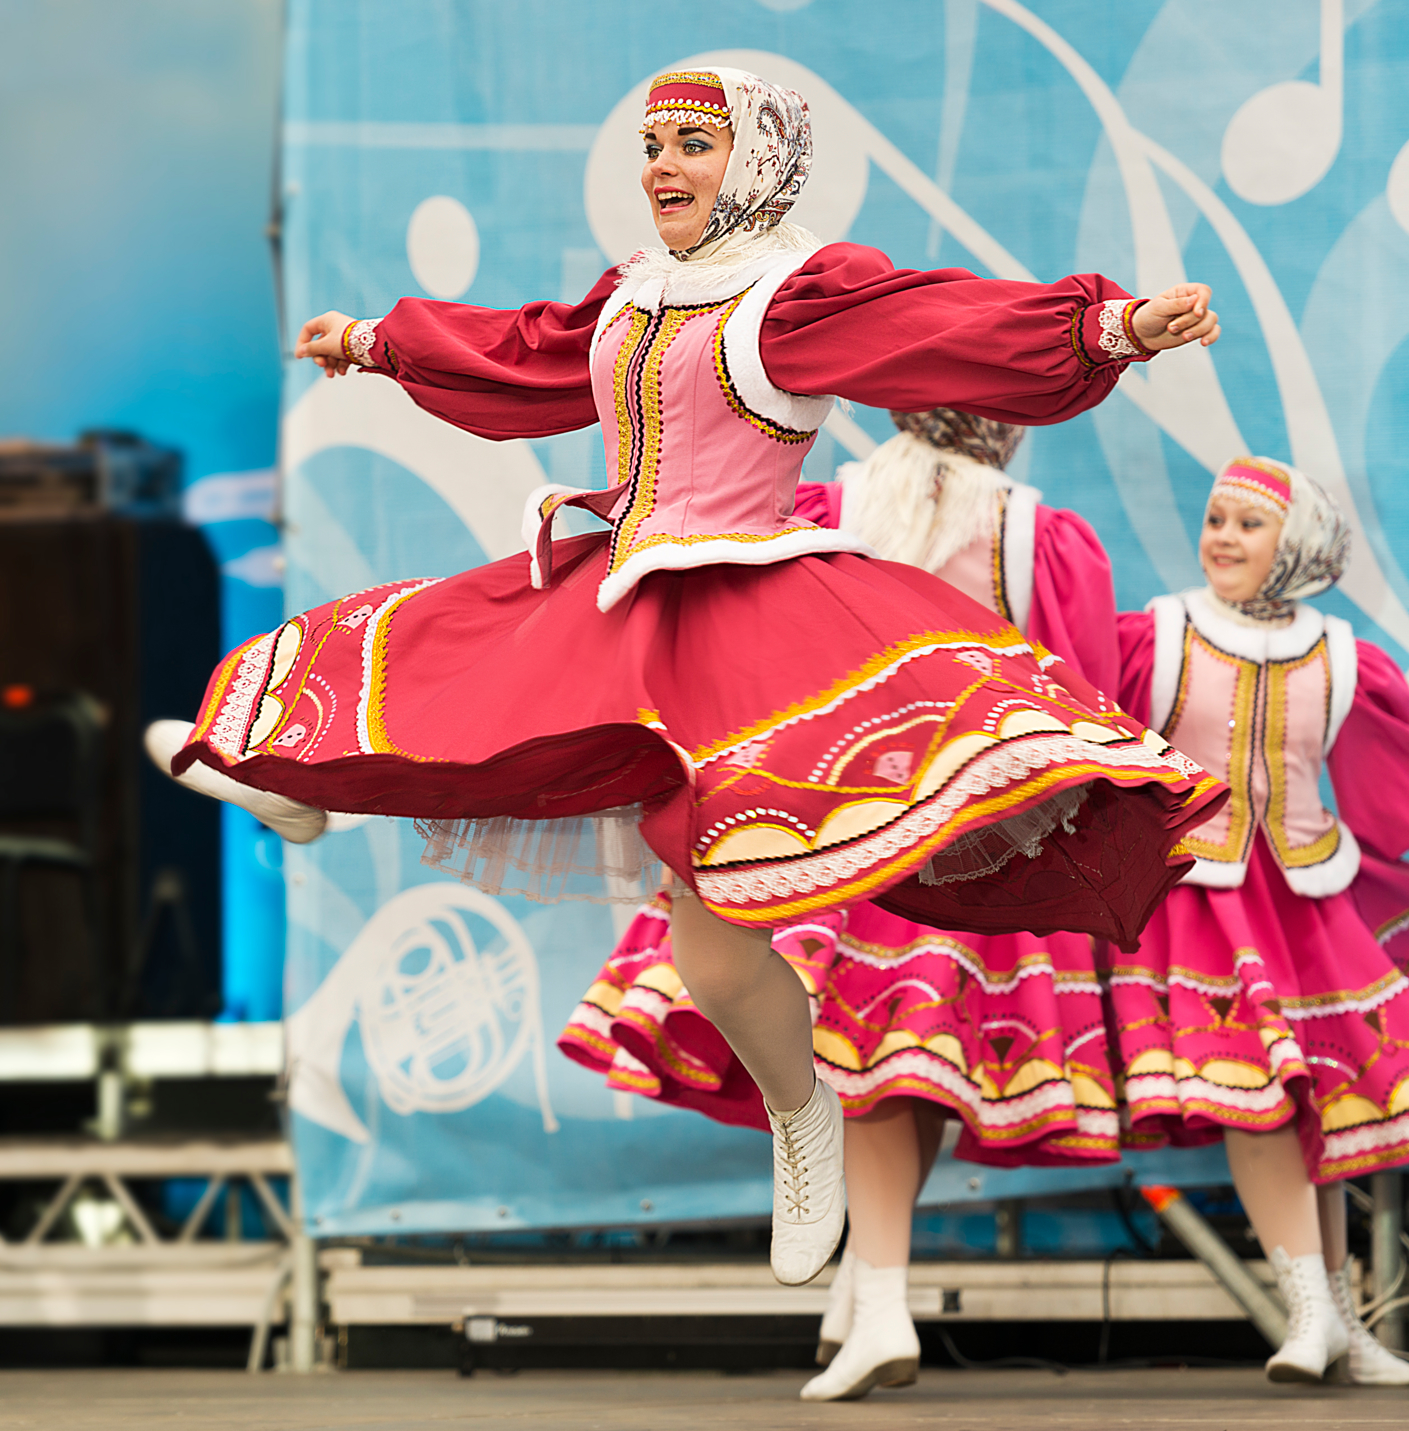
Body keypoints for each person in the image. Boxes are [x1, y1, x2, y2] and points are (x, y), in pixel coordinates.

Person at [145, 67, 1225, 1290]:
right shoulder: (635, 295)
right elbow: (530, 351)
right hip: (626, 589)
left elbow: (940, 324)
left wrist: (1106, 326)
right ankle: (305, 785)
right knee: (458, 681)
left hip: (749, 625)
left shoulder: (797, 293)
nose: (662, 164)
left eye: (694, 143)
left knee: (714, 956)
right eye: (653, 143)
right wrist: (383, 344)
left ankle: (800, 1108)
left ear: (756, 161)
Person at [561, 407, 1132, 1400]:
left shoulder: (831, 508)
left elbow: (745, 663)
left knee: (876, 1065)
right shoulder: (1040, 535)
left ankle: (877, 1295)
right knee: (904, 1066)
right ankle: (872, 1290)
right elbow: (1082, 689)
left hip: (832, 816)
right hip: (962, 829)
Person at [1103, 454, 1409, 1386]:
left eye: (1249, 524)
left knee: (1316, 1096)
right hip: (1199, 904)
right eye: (1215, 519)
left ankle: (1341, 1324)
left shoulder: (1336, 656)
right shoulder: (1157, 638)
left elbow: (1388, 774)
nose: (1224, 539)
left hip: (1308, 906)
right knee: (1260, 1092)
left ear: (1299, 545)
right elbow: (1087, 742)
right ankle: (1312, 1310)